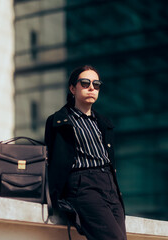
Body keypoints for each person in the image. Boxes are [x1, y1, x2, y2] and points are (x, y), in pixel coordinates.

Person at [44, 65, 127, 240]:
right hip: (83, 185)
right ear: (72, 88)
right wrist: (53, 196)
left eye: (96, 84)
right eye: (85, 83)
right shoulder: (59, 121)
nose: (91, 88)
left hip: (109, 185)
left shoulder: (103, 122)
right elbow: (52, 159)